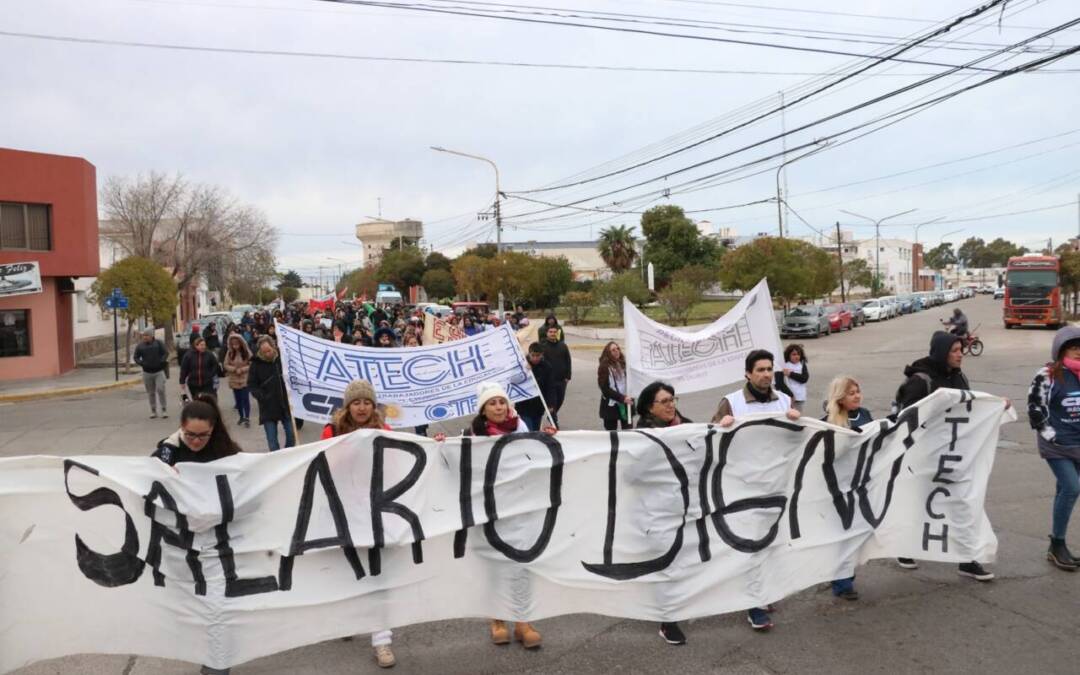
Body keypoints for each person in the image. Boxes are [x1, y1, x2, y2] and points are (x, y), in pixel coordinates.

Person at [434, 382, 555, 649]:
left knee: (522, 565)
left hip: (519, 507)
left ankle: (523, 622)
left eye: (502, 402)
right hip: (488, 510)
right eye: (492, 403)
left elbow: (537, 460)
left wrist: (550, 439)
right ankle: (498, 620)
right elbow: (455, 466)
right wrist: (442, 448)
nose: (499, 407)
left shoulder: (522, 429)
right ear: (483, 409)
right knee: (495, 567)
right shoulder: (472, 434)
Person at [151, 394, 241, 675]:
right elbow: (145, 480)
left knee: (218, 606)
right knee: (194, 608)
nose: (196, 441)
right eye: (190, 435)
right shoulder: (167, 451)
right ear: (180, 427)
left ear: (213, 430)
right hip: (182, 544)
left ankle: (217, 664)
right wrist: (164, 464)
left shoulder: (228, 454)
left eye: (203, 436)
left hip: (219, 544)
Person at [712, 349, 802, 631]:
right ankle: (753, 605)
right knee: (751, 547)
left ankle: (763, 593)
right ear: (748, 374)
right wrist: (720, 426)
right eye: (760, 370)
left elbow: (797, 439)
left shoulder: (786, 400)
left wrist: (798, 420)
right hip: (743, 488)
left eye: (769, 369)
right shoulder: (732, 402)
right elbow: (709, 439)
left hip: (777, 485)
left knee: (773, 544)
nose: (765, 374)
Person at [894, 331, 994, 580]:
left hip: (954, 455)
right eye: (955, 351)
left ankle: (967, 559)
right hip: (923, 456)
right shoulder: (920, 380)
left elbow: (970, 409)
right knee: (919, 504)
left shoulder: (958, 377)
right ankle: (905, 547)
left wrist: (995, 407)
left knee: (962, 504)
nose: (961, 354)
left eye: (961, 350)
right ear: (941, 352)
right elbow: (906, 417)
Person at [318, 379, 397, 668]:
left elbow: (400, 462)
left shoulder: (385, 430)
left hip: (378, 509)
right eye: (356, 402)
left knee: (378, 574)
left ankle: (382, 641)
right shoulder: (332, 431)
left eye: (366, 402)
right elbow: (322, 466)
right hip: (343, 510)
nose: (362, 407)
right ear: (347, 406)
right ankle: (349, 620)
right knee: (349, 570)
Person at [634, 381, 692, 645]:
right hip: (657, 511)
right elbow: (631, 474)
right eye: (664, 401)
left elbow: (710, 442)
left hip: (688, 506)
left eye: (672, 399)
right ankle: (668, 622)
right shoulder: (641, 435)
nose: (671, 405)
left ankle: (678, 606)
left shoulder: (686, 425)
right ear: (649, 407)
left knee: (685, 561)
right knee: (667, 565)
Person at [1028, 325, 1080, 571]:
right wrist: (1052, 435)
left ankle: (1056, 548)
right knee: (1072, 487)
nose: (1078, 352)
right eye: (1073, 347)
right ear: (1061, 350)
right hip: (1057, 445)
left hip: (1079, 444)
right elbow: (1035, 408)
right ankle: (1058, 543)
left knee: (1064, 490)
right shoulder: (1047, 375)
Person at [822, 375, 874, 600]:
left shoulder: (866, 415)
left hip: (862, 485)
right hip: (837, 489)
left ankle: (846, 575)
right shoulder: (827, 421)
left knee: (860, 533)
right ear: (840, 397)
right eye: (851, 393)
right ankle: (841, 582)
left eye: (858, 391)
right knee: (841, 535)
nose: (857, 396)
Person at [247, 336, 296, 451]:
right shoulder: (256, 364)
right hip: (268, 407)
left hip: (285, 404)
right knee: (272, 442)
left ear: (273, 347)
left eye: (269, 350)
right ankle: (277, 460)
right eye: (264, 352)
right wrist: (261, 396)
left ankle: (286, 455)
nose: (267, 354)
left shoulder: (282, 359)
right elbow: (252, 385)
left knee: (291, 436)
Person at [518, 342, 557, 431]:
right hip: (524, 406)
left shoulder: (547, 367)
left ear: (542, 355)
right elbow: (513, 380)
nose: (535, 358)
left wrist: (551, 404)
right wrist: (524, 371)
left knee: (535, 431)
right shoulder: (522, 364)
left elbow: (550, 387)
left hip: (538, 406)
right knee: (529, 431)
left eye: (538, 355)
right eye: (533, 355)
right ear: (529, 353)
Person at [133, 327, 169, 419]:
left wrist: (161, 361)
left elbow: (165, 353)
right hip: (147, 373)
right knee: (151, 392)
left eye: (147, 335)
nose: (145, 337)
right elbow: (136, 357)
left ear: (151, 335)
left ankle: (164, 409)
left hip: (159, 371)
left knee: (161, 389)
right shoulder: (140, 346)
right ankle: (153, 410)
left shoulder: (158, 343)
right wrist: (141, 363)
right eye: (143, 335)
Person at [597, 342, 633, 431]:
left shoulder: (624, 364)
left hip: (626, 402)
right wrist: (621, 398)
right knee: (611, 433)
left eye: (618, 349)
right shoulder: (604, 367)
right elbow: (605, 389)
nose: (617, 351)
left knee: (628, 431)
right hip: (611, 404)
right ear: (608, 353)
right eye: (613, 350)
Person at [541, 325, 572, 427]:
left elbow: (568, 360)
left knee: (560, 400)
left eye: (554, 332)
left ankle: (551, 415)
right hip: (549, 380)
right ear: (547, 333)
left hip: (562, 379)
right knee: (552, 401)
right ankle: (554, 422)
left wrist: (568, 376)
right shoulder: (543, 346)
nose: (553, 334)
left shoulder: (563, 346)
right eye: (551, 332)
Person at [223, 333, 253, 427]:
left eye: (237, 344)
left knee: (245, 399)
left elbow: (251, 364)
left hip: (244, 378)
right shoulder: (230, 353)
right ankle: (241, 417)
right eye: (233, 344)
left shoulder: (246, 352)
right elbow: (226, 364)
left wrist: (243, 369)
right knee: (238, 400)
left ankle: (247, 417)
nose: (235, 346)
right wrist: (234, 369)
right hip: (234, 379)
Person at [180, 337, 221, 401]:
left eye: (204, 345)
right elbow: (184, 369)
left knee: (209, 400)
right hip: (193, 384)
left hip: (207, 383)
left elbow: (215, 365)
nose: (203, 347)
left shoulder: (209, 354)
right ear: (196, 345)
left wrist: (211, 374)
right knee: (197, 402)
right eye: (201, 345)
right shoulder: (188, 355)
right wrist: (182, 381)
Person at [779, 344, 809, 412]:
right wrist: (790, 395)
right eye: (794, 354)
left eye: (798, 354)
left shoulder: (802, 364)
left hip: (799, 397)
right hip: (787, 397)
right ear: (788, 355)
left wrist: (790, 374)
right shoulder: (784, 365)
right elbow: (780, 383)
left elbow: (804, 378)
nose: (797, 356)